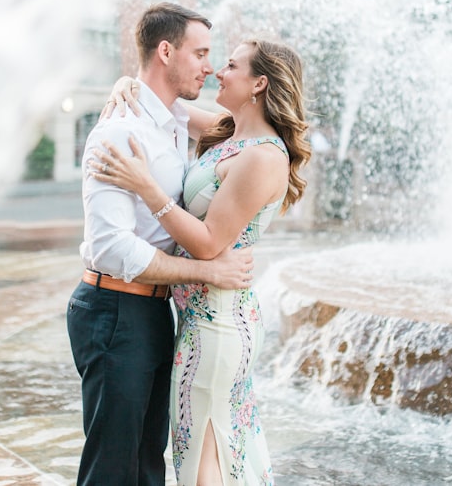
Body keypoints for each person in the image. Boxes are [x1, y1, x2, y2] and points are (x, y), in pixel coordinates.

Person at [91, 39, 311, 485]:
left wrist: (146, 187)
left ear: (259, 83)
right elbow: (157, 102)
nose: (217, 72)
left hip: (220, 324)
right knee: (206, 449)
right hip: (199, 316)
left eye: (230, 65)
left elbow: (210, 243)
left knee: (205, 456)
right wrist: (125, 84)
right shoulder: (231, 134)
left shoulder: (263, 157)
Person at [67, 2, 256, 486]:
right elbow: (113, 249)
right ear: (166, 51)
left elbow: (247, 131)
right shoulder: (119, 131)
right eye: (201, 54)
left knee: (149, 465)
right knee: (113, 468)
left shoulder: (172, 121)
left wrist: (126, 80)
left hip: (153, 311)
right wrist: (208, 271)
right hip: (114, 309)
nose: (209, 66)